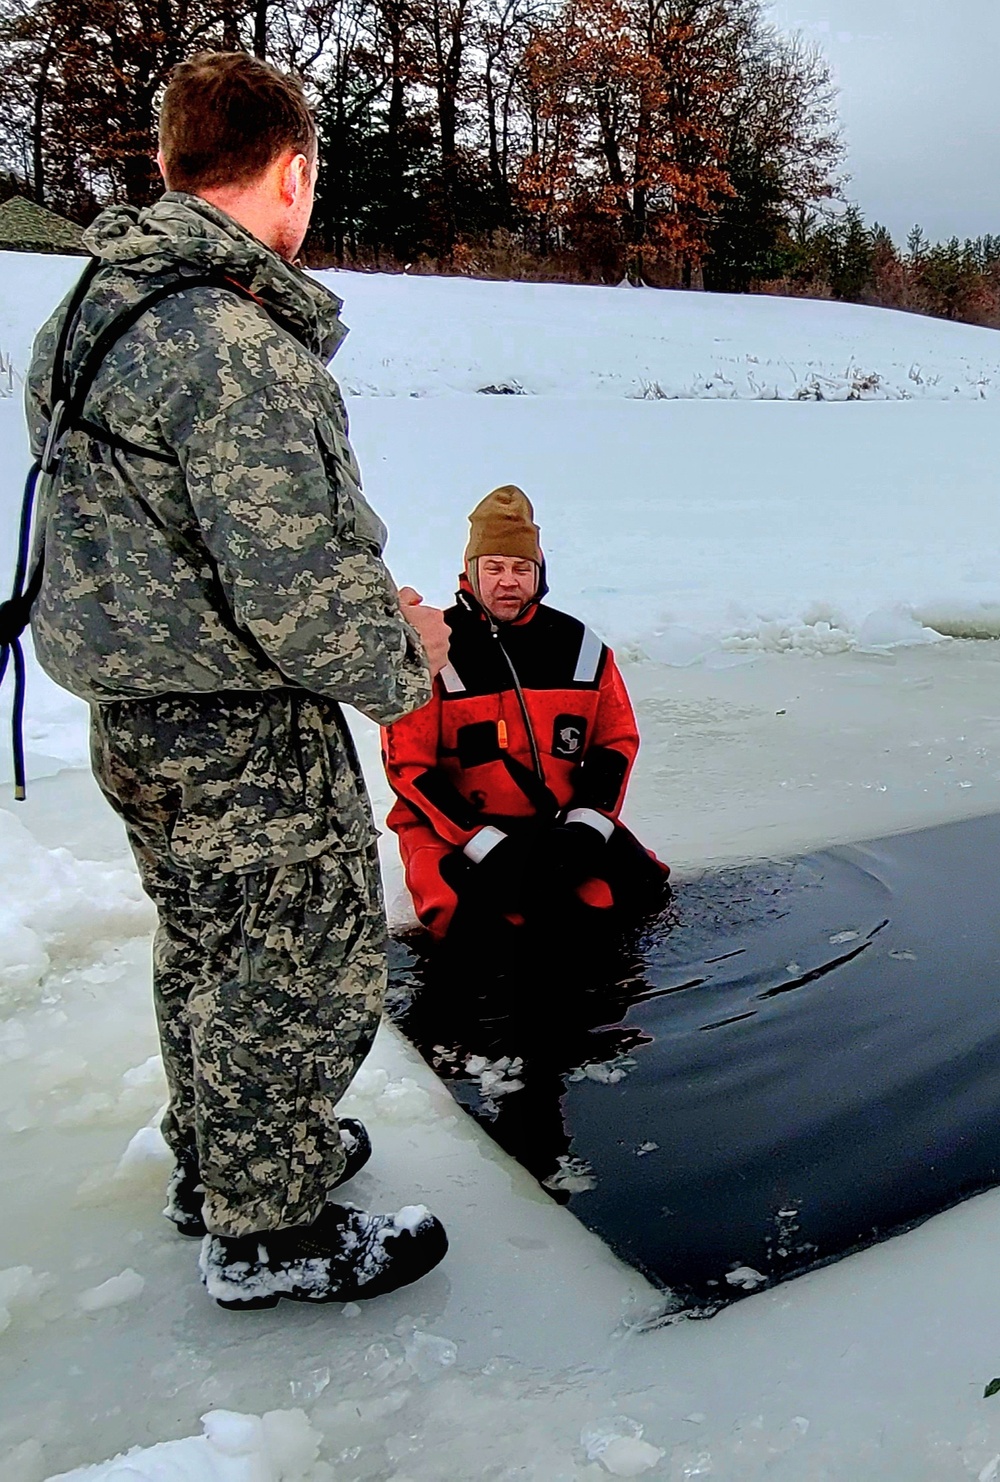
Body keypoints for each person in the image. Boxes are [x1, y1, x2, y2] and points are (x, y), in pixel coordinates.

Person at [24, 51, 452, 1311]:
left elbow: (167, 534)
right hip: (239, 726)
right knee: (303, 960)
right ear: (292, 172)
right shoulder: (231, 341)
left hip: (134, 715)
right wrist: (407, 658)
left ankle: (223, 1163)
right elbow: (293, 588)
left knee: (207, 944)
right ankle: (270, 1232)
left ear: (166, 166)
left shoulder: (89, 312)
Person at [381, 486, 668, 955]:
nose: (508, 581)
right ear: (471, 572)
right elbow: (408, 769)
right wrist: (482, 842)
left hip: (555, 824)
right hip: (452, 833)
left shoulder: (580, 646)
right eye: (493, 568)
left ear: (539, 573)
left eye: (520, 568)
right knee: (481, 930)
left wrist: (585, 826)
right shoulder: (433, 648)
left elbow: (614, 742)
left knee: (640, 893)